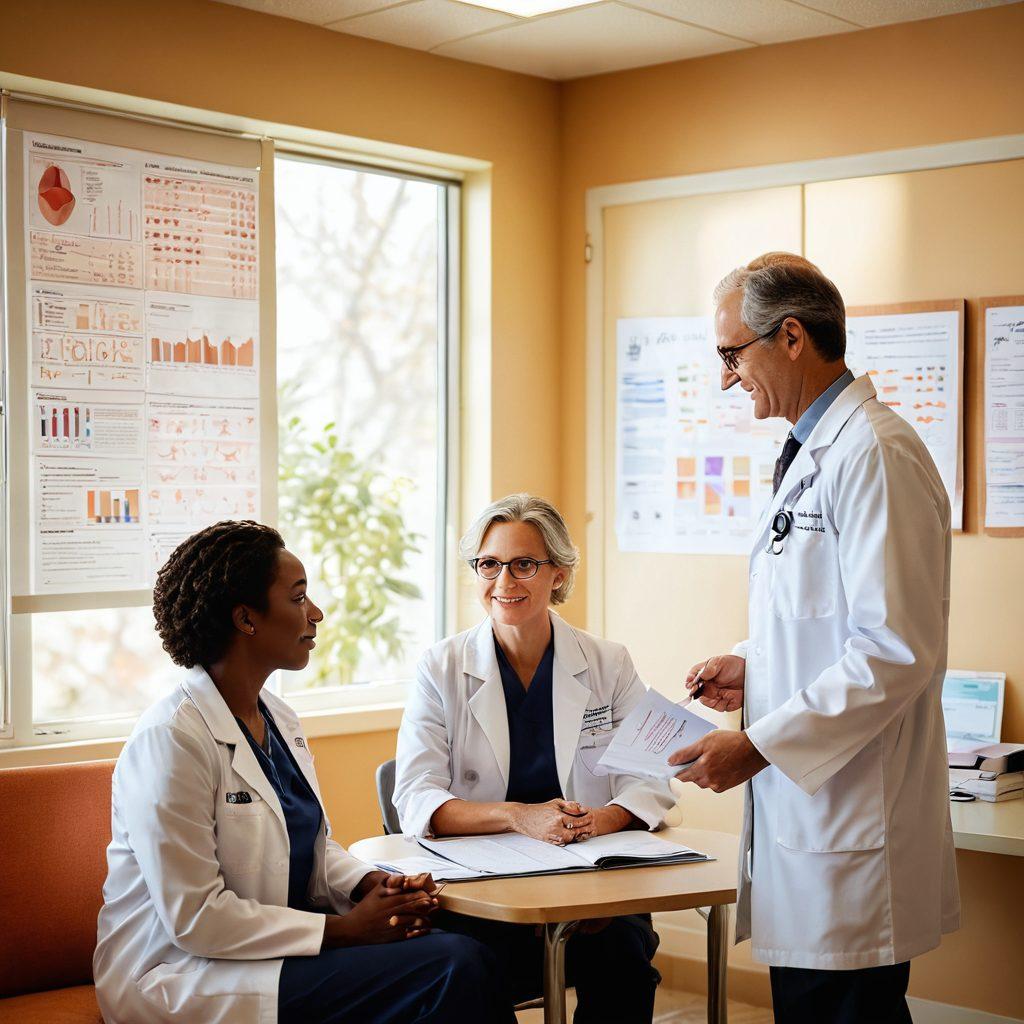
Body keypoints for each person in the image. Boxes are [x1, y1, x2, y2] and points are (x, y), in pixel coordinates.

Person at [666, 253, 960, 1024]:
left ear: (791, 337)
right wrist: (752, 665)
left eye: (733, 353)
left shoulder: (875, 454)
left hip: (853, 827)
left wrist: (758, 742)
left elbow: (895, 649)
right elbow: (825, 622)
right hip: (815, 824)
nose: (727, 377)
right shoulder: (813, 451)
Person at [94, 520, 513, 1024]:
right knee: (452, 966)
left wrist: (371, 885)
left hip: (267, 952)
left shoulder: (276, 716)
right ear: (246, 619)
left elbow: (309, 849)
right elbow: (196, 920)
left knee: (463, 946)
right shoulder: (171, 741)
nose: (316, 613)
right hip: (182, 972)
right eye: (298, 599)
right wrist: (347, 930)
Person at [394, 493, 675, 1023]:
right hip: (484, 892)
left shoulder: (607, 663)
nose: (504, 581)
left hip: (593, 880)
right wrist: (520, 817)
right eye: (489, 564)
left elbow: (652, 776)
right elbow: (416, 796)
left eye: (524, 564)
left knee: (624, 957)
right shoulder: (441, 667)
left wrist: (599, 822)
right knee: (471, 968)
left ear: (559, 574)